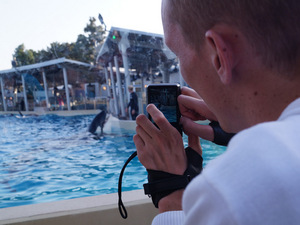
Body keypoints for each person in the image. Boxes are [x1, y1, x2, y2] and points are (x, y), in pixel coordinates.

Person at [133, 0, 300, 224]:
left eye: (177, 55)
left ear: (219, 54)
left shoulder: (232, 192)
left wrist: (171, 196)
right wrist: (244, 126)